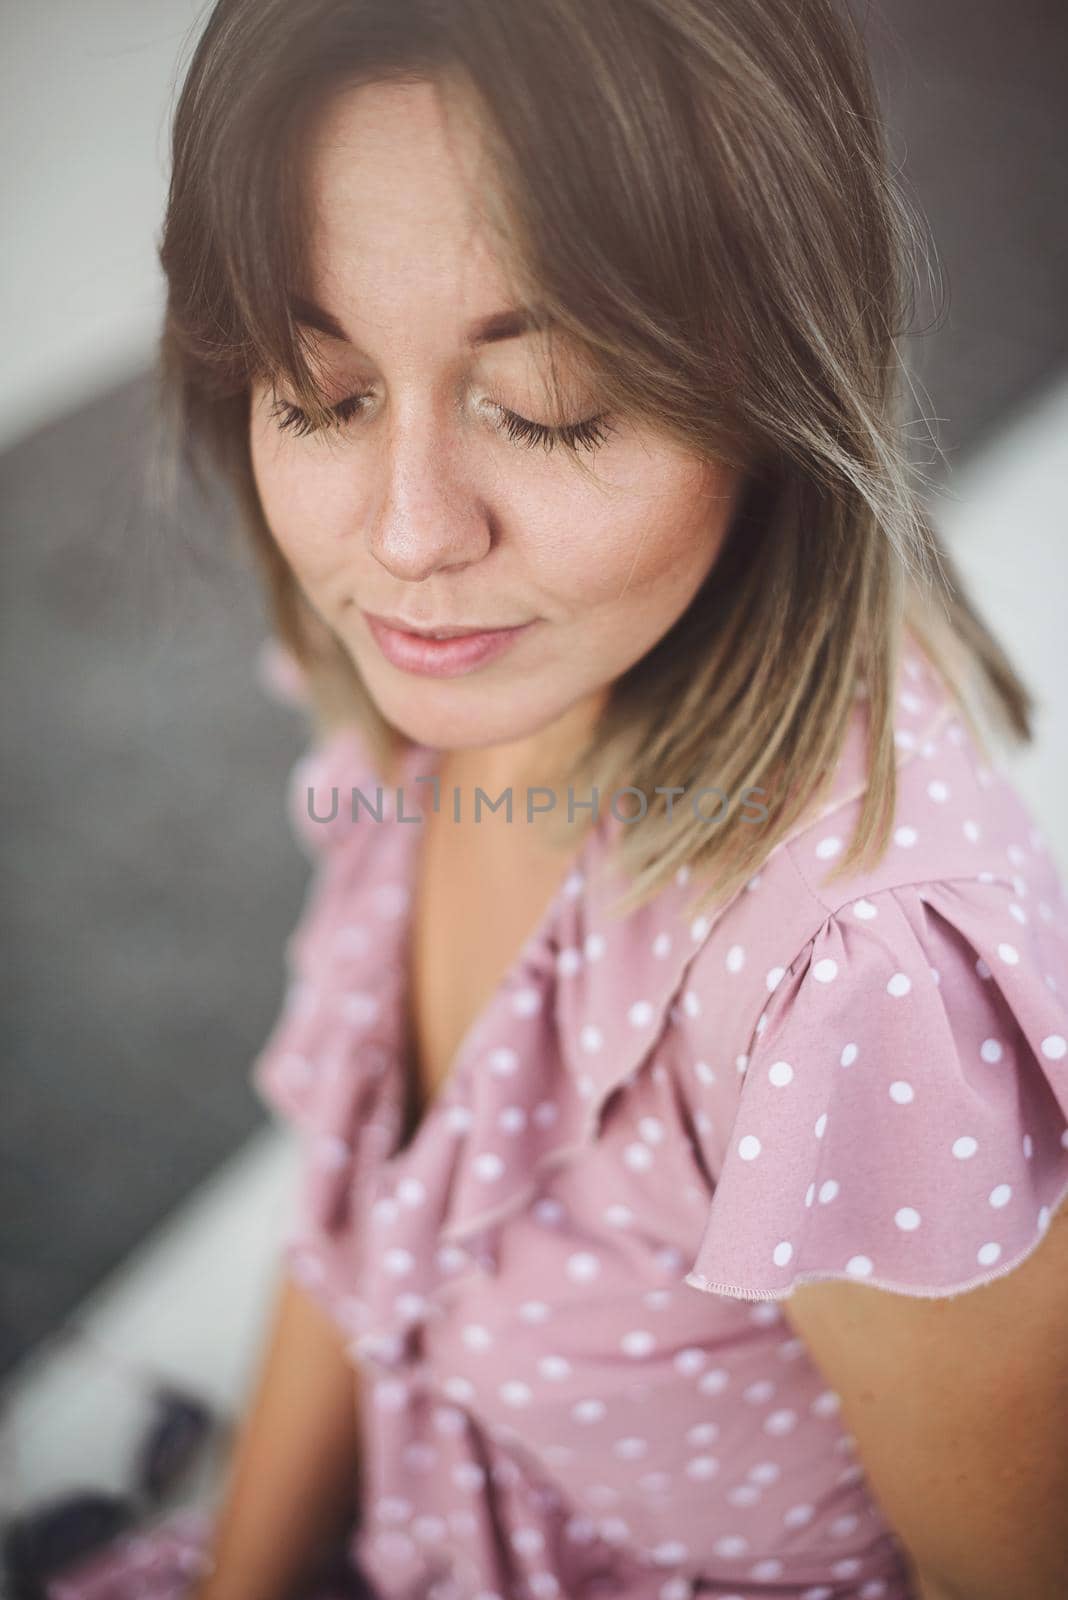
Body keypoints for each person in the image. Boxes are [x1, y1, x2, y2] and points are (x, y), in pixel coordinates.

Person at [47, 1, 1068, 1597]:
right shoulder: (450, 674)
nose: (406, 536)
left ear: (782, 382)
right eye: (320, 391)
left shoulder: (853, 995)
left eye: (551, 403)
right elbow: (370, 1226)